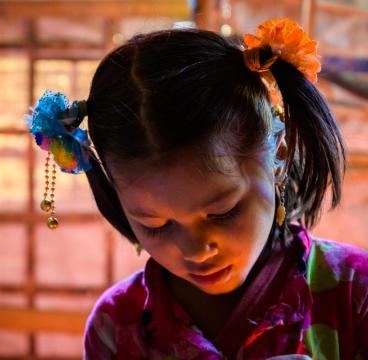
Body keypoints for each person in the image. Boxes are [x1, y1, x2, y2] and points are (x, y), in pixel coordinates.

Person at [25, 18, 368, 359]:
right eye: (156, 226)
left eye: (222, 212)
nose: (197, 250)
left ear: (278, 154)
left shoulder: (355, 293)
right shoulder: (116, 325)